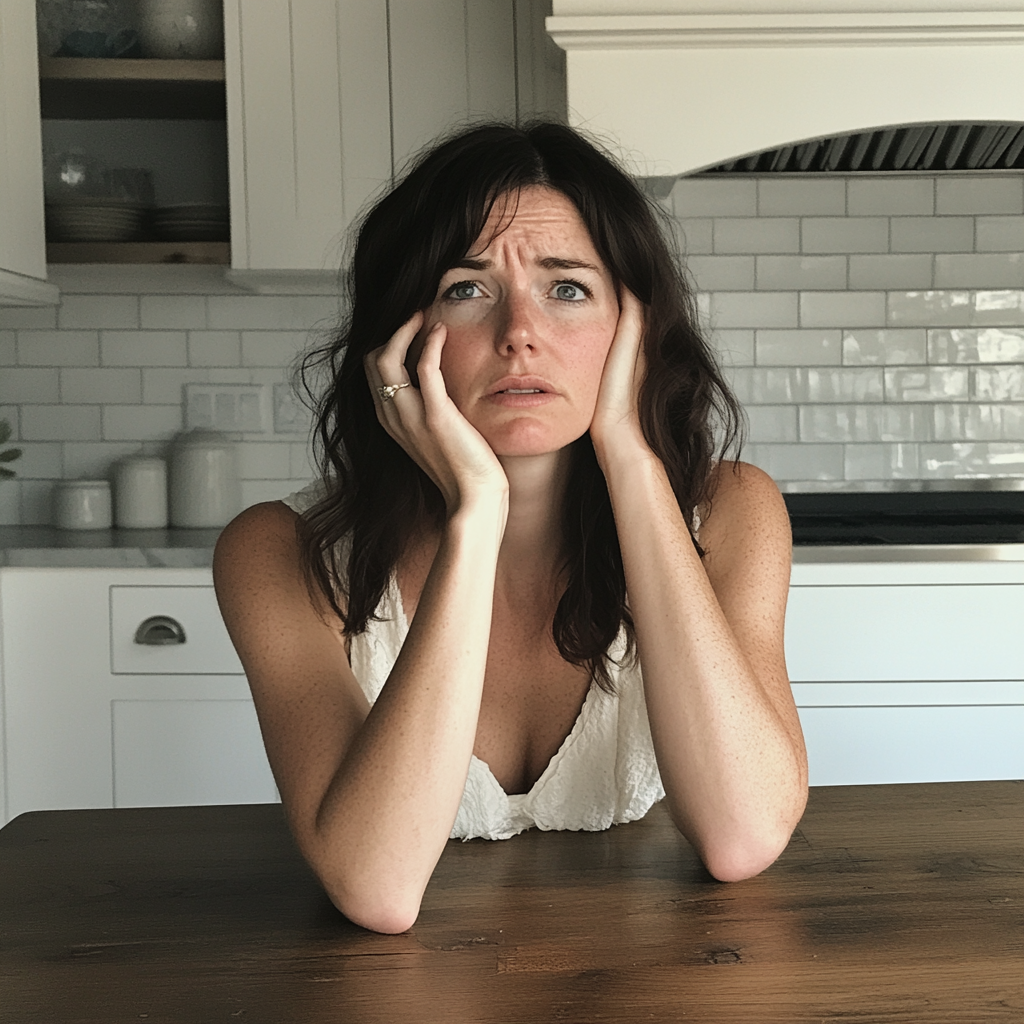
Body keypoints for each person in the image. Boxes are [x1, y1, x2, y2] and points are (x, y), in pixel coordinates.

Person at [213, 121, 807, 935]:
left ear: (633, 327)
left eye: (567, 289)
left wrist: (629, 456)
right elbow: (377, 887)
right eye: (467, 288)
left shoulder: (735, 511)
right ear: (398, 336)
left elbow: (742, 837)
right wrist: (476, 514)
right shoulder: (277, 554)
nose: (519, 331)